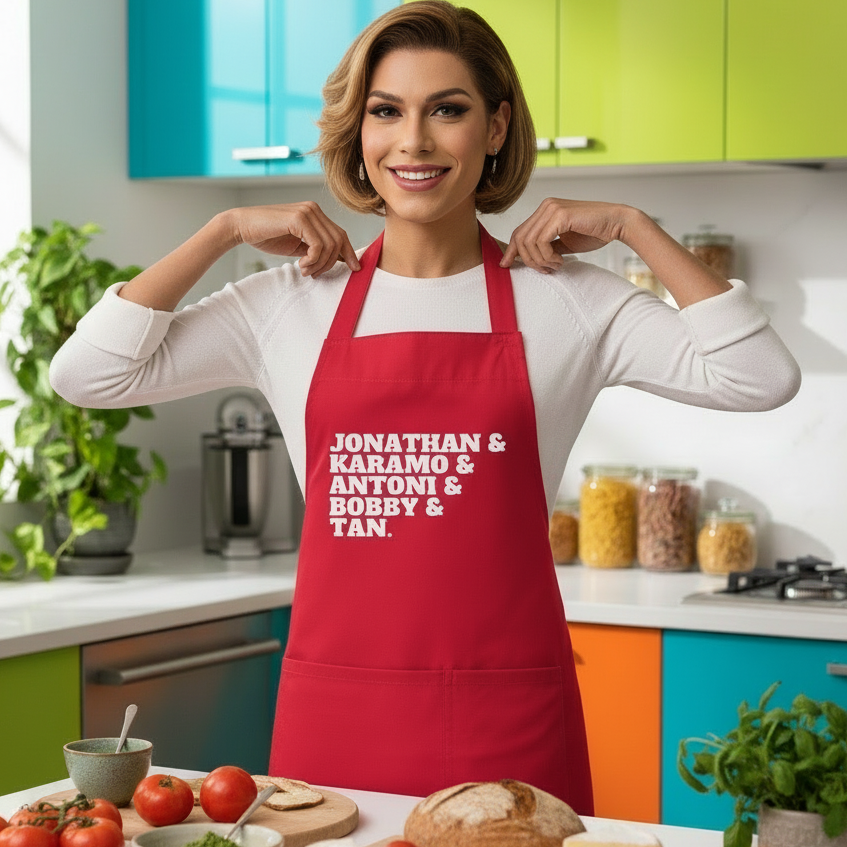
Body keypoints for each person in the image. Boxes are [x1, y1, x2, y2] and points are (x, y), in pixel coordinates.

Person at [49, 0, 800, 813]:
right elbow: (86, 375)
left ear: (496, 127)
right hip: (336, 708)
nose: (413, 140)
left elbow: (760, 375)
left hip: (506, 714)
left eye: (447, 109)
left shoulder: (569, 302)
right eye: (385, 111)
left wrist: (632, 226)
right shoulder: (285, 303)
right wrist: (222, 230)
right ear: (359, 133)